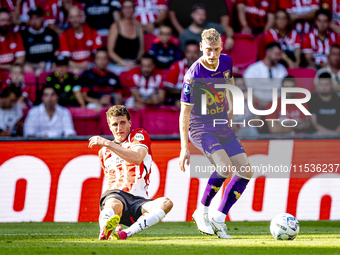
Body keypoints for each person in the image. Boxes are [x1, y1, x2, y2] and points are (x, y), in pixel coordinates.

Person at [179, 28, 253, 238]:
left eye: (216, 50)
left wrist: (231, 108)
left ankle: (219, 219)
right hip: (201, 128)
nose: (212, 55)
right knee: (224, 167)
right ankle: (201, 211)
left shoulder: (226, 62)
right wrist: (184, 147)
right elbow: (184, 114)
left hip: (222, 125)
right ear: (201, 47)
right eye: (208, 50)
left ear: (222, 48)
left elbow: (230, 84)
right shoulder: (193, 76)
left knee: (246, 171)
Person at [88, 105, 173, 240]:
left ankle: (125, 233)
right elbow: (108, 180)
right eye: (115, 124)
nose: (119, 128)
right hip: (116, 195)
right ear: (110, 127)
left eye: (123, 123)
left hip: (138, 202)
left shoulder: (138, 136)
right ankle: (105, 228)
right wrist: (110, 211)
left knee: (166, 203)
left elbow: (136, 158)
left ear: (130, 123)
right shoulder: (103, 152)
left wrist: (107, 143)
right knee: (114, 203)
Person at [59, 6, 102, 75]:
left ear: (81, 17)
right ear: (69, 19)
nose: (74, 20)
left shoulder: (92, 32)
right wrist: (79, 66)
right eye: (71, 17)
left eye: (77, 17)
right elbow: (65, 60)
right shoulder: (64, 35)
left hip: (91, 67)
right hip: (72, 68)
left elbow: (99, 56)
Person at [243, 42, 288, 109]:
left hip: (277, 106)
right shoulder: (253, 69)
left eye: (280, 55)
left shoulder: (282, 69)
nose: (279, 57)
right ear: (268, 52)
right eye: (277, 54)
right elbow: (247, 89)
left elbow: (285, 89)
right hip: (256, 104)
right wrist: (261, 103)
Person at [20, 7, 60, 76]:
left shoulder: (51, 33)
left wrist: (50, 64)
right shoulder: (24, 35)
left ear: (42, 18)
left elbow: (57, 53)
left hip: (50, 67)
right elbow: (22, 58)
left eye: (37, 17)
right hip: (32, 68)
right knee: (27, 68)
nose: (34, 21)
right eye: (32, 18)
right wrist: (37, 65)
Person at [107, 0, 144, 75]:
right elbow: (110, 52)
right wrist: (124, 63)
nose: (128, 10)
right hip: (117, 64)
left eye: (130, 7)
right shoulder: (115, 26)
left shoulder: (139, 26)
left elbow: (141, 50)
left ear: (134, 9)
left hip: (133, 64)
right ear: (122, 10)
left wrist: (135, 62)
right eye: (125, 7)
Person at [163, 40, 200, 108]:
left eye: (194, 52)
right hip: (179, 99)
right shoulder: (176, 66)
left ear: (199, 54)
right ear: (185, 53)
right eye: (189, 52)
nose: (191, 55)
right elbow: (168, 89)